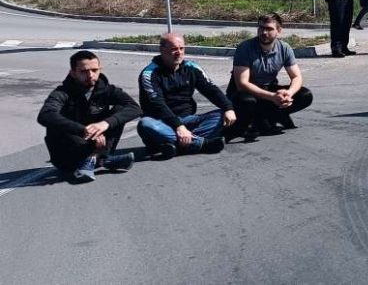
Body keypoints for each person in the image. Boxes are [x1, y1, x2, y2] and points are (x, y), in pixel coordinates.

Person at [37, 50, 140, 182]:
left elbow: (135, 108)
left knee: (120, 110)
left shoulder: (107, 89)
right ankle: (99, 160)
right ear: (73, 73)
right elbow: (44, 115)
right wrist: (84, 130)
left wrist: (105, 124)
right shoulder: (62, 92)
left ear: (100, 69)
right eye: (84, 71)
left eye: (94, 70)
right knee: (54, 121)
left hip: (99, 145)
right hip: (68, 155)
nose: (90, 75)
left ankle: (97, 159)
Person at [137, 33, 235, 158]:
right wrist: (179, 126)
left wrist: (228, 108)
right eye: (174, 49)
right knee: (145, 124)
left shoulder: (192, 68)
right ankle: (202, 144)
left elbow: (211, 89)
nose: (179, 52)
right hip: (163, 122)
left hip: (189, 120)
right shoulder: (149, 74)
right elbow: (158, 105)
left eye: (181, 48)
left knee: (222, 115)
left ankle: (174, 145)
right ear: (162, 50)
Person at [226, 13, 314, 140]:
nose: (264, 32)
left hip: (268, 90)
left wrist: (288, 94)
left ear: (279, 30)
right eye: (261, 28)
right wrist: (272, 97)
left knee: (305, 95)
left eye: (269, 29)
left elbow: (296, 77)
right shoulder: (245, 48)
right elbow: (242, 84)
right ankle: (256, 120)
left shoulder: (284, 48)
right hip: (244, 93)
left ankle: (269, 116)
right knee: (247, 101)